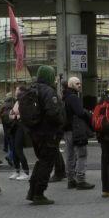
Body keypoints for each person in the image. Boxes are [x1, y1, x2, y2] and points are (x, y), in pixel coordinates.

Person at [22, 65, 66, 205]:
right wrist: (61, 122)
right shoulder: (48, 91)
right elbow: (53, 113)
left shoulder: (32, 90)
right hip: (48, 133)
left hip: (35, 132)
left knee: (41, 161)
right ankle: (39, 193)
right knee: (47, 163)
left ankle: (33, 191)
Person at [62, 76, 95, 190]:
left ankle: (71, 180)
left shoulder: (64, 97)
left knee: (70, 155)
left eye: (80, 83)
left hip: (67, 130)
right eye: (77, 84)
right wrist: (88, 114)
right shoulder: (73, 97)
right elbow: (80, 112)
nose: (79, 85)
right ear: (71, 85)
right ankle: (81, 180)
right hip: (76, 130)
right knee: (82, 154)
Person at [3, 86, 30, 181]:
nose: (15, 91)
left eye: (17, 90)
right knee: (14, 150)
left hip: (20, 127)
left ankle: (26, 171)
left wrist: (15, 115)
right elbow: (11, 114)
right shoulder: (17, 101)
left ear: (21, 91)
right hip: (14, 127)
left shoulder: (24, 101)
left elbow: (19, 114)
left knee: (18, 149)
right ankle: (17, 170)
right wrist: (14, 115)